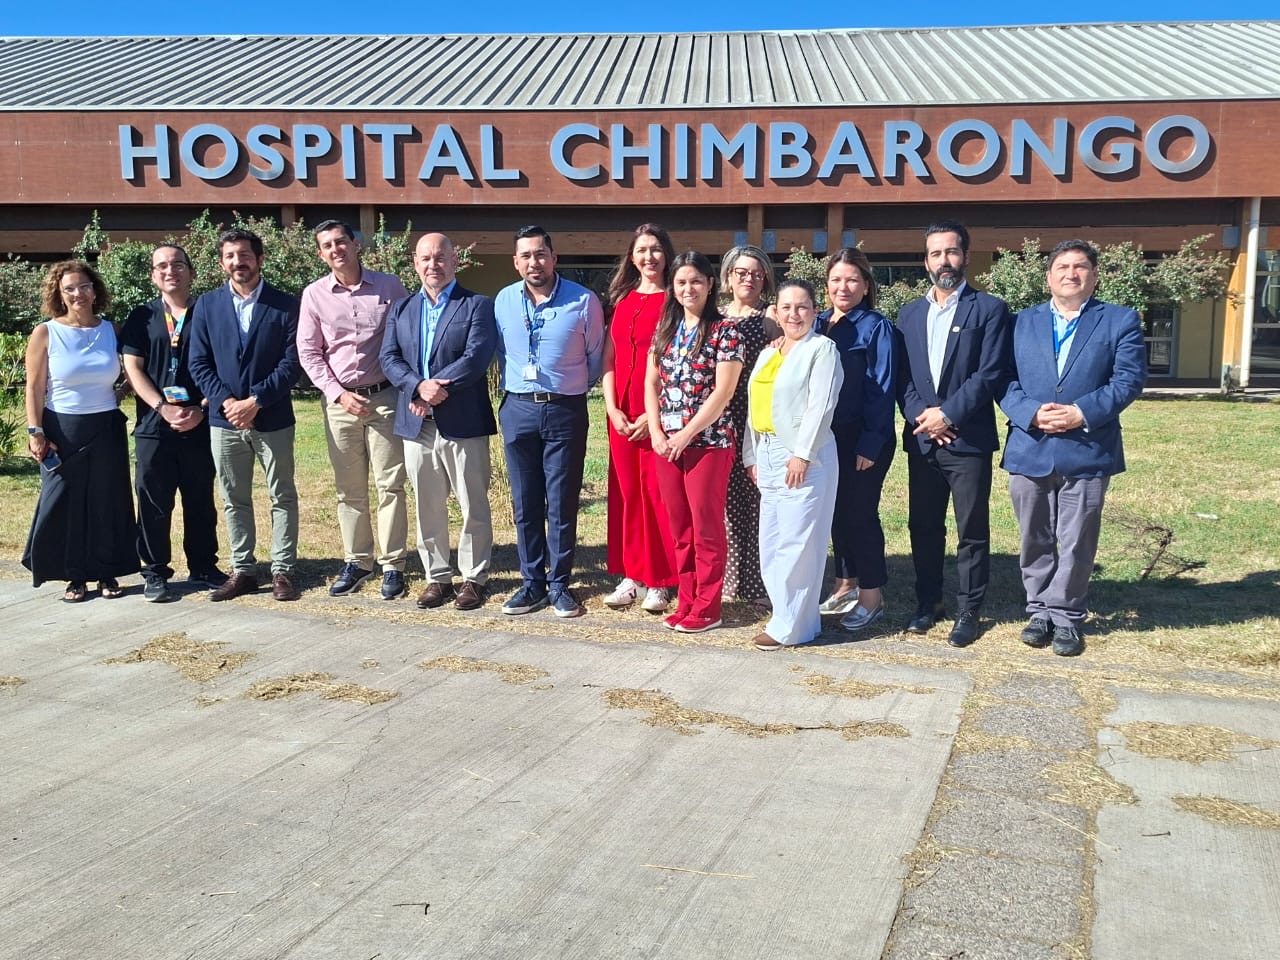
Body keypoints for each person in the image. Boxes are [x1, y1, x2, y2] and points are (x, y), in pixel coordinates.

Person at [999, 239, 1147, 657]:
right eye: (1062, 267)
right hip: (1031, 444)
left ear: (1094, 276)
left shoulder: (1119, 320)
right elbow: (1002, 377)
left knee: (1078, 537)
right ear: (1048, 276)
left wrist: (1082, 413)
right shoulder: (1019, 322)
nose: (1070, 273)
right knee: (1034, 536)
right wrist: (1029, 412)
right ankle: (1039, 610)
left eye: (1080, 266)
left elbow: (1128, 380)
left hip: (1087, 446)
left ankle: (1066, 616)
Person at [897, 220, 1011, 647]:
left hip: (967, 439)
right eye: (936, 253)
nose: (944, 260)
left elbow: (989, 373)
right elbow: (903, 378)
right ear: (925, 261)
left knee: (971, 530)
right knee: (923, 526)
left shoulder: (990, 309)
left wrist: (947, 415)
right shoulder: (909, 314)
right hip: (923, 438)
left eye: (951, 251)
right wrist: (922, 417)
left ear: (965, 255)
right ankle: (929, 603)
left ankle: (969, 609)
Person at [381, 233, 497, 611]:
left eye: (441, 257)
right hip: (417, 424)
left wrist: (433, 389)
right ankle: (437, 576)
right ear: (415, 263)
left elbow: (476, 357)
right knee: (427, 505)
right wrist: (418, 387)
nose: (434, 265)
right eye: (426, 258)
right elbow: (389, 358)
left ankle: (473, 577)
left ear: (454, 260)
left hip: (463, 420)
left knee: (472, 503)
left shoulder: (477, 305)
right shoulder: (401, 309)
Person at [494, 225, 605, 617]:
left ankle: (559, 584)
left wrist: (569, 387)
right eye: (525, 256)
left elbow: (595, 357)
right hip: (518, 408)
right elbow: (501, 351)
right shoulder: (503, 300)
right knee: (524, 501)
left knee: (561, 500)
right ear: (516, 262)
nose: (534, 262)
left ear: (554, 258)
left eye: (540, 254)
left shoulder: (583, 300)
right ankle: (531, 584)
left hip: (564, 409)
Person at [298, 219, 411, 601]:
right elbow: (309, 353)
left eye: (341, 241)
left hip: (385, 399)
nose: (336, 249)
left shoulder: (389, 286)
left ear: (355, 244)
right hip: (340, 404)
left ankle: (393, 564)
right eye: (327, 245)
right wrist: (338, 394)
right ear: (321, 254)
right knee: (349, 490)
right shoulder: (314, 295)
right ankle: (358, 561)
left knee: (390, 484)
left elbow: (407, 336)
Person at [188, 228, 303, 602]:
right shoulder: (207, 305)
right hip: (224, 421)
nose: (238, 262)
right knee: (233, 497)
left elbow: (292, 363)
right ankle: (243, 571)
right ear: (222, 263)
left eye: (245, 255)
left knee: (282, 495)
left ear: (259, 259)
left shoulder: (285, 305)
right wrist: (228, 403)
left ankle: (283, 569)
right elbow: (198, 362)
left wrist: (255, 401)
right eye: (230, 256)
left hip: (273, 418)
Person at [22, 261, 138, 601]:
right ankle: (74, 576)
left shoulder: (111, 330)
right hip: (62, 427)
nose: (78, 294)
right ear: (59, 294)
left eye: (84, 286)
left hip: (106, 426)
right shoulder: (46, 332)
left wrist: (122, 390)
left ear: (95, 289)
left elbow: (133, 369)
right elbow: (34, 387)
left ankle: (106, 572)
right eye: (69, 288)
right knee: (64, 502)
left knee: (106, 500)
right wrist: (35, 431)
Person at [644, 251, 744, 633]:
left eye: (696, 281)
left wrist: (686, 434)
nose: (689, 288)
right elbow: (651, 383)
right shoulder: (665, 329)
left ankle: (707, 608)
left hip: (708, 443)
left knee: (705, 528)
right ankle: (686, 600)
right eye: (681, 282)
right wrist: (657, 432)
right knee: (680, 529)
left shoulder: (725, 331)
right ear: (673, 286)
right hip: (667, 446)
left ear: (710, 284)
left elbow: (723, 392)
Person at [742, 280, 843, 650]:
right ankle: (793, 618)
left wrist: (802, 454)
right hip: (767, 454)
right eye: (786, 307)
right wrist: (751, 455)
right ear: (776, 311)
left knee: (798, 543)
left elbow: (821, 406)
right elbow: (755, 406)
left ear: (815, 310)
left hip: (803, 457)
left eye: (802, 307)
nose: (794, 314)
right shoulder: (769, 353)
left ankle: (791, 627)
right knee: (772, 541)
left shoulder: (822, 349)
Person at [121, 244, 225, 602]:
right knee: (153, 502)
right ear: (153, 276)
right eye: (162, 266)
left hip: (201, 421)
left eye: (178, 264)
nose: (170, 271)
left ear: (191, 272)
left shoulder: (210, 312)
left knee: (200, 500)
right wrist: (161, 407)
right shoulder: (142, 316)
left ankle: (204, 567)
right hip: (154, 425)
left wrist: (202, 407)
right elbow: (132, 367)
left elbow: (222, 365)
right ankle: (154, 572)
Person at [815, 249, 898, 632]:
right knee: (835, 512)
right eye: (836, 279)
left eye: (852, 280)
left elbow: (882, 387)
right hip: (825, 436)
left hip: (863, 436)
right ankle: (844, 584)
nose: (843, 287)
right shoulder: (818, 323)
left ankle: (871, 596)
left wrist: (870, 442)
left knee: (860, 515)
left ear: (866, 285)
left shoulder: (876, 327)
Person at [600, 223, 678, 614]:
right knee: (628, 494)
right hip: (621, 414)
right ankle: (631, 575)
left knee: (657, 495)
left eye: (656, 249)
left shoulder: (675, 300)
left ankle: (661, 580)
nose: (649, 257)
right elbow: (609, 359)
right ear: (631, 257)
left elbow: (676, 363)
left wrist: (654, 414)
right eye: (642, 250)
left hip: (657, 415)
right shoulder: (621, 300)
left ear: (667, 255)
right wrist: (611, 408)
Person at [719, 244, 781, 609]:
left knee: (758, 502)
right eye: (742, 272)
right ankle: (727, 579)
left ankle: (758, 583)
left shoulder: (770, 317)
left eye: (757, 273)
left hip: (756, 419)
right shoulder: (715, 316)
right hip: (719, 417)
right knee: (724, 504)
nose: (749, 279)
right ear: (728, 276)